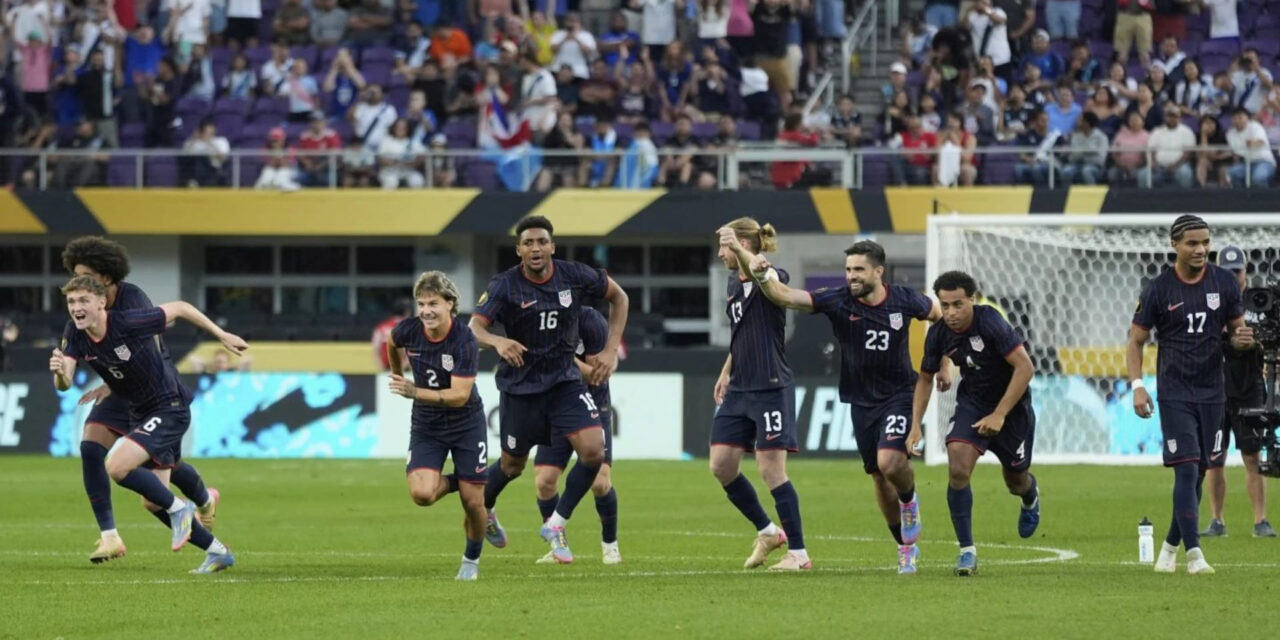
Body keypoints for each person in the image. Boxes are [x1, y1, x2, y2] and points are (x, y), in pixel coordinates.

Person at [729, 238, 951, 574]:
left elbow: (940, 317)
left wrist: (944, 364)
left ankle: (909, 500)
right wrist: (762, 276)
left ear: (879, 271)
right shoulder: (838, 300)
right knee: (878, 478)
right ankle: (905, 547)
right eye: (848, 270)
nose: (852, 276)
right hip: (860, 401)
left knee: (890, 462)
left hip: (899, 395)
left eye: (859, 270)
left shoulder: (905, 299)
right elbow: (785, 296)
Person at [51, 276, 244, 574]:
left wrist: (221, 335)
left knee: (116, 466)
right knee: (152, 501)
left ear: (101, 303)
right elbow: (64, 383)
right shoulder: (75, 333)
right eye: (72, 302)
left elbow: (179, 308)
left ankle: (181, 508)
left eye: (83, 301)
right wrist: (61, 373)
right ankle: (218, 551)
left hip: (170, 406)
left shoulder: (127, 322)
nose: (76, 307)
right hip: (140, 412)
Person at [469, 216, 628, 563]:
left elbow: (619, 297)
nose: (536, 248)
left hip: (564, 383)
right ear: (519, 250)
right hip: (521, 388)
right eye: (528, 243)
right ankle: (486, 509)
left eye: (542, 241)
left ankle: (556, 523)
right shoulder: (504, 285)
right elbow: (474, 328)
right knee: (512, 466)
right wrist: (498, 341)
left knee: (593, 452)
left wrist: (611, 349)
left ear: (552, 246)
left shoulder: (574, 275)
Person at [1127, 215, 1254, 575]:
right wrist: (1138, 387)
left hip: (1214, 392)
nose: (1200, 250)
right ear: (1175, 245)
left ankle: (1168, 548)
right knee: (1185, 470)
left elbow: (1235, 333)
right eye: (1192, 243)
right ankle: (1195, 555)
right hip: (1174, 391)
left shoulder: (1225, 283)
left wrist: (1243, 340)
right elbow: (1135, 341)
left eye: (1205, 243)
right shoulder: (1158, 289)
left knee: (1198, 471)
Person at [908, 270, 1040, 576]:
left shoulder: (991, 322)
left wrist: (1000, 414)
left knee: (1016, 481)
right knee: (957, 469)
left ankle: (1030, 497)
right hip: (972, 403)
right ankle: (966, 551)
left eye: (958, 304)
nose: (951, 313)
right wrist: (916, 424)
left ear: (973, 299)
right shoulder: (939, 333)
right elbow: (925, 379)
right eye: (945, 305)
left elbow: (1025, 368)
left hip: (1013, 407)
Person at [708, 218, 810, 571]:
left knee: (771, 470)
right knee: (721, 465)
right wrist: (725, 372)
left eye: (725, 246)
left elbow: (769, 280)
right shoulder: (732, 283)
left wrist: (741, 251)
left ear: (743, 245)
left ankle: (798, 553)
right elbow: (742, 335)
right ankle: (768, 531)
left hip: (770, 387)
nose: (721, 253)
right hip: (739, 388)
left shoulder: (771, 273)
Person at [384, 271, 488, 580]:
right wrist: (397, 373)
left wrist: (414, 391)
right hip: (427, 423)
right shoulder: (410, 331)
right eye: (421, 304)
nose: (426, 310)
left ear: (450, 304)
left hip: (465, 422)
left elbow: (459, 396)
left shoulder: (464, 340)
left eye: (433, 303)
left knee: (473, 502)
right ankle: (468, 479)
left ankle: (471, 561)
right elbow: (392, 342)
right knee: (422, 495)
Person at [533, 306, 622, 565]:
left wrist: (563, 357)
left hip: (593, 403)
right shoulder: (543, 322)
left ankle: (610, 545)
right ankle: (557, 545)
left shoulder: (590, 320)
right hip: (558, 405)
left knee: (600, 482)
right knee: (544, 481)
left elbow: (596, 375)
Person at [1202, 246, 1276, 539]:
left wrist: (1254, 343)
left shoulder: (1262, 305)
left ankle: (1260, 520)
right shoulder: (1208, 304)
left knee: (1253, 457)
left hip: (1250, 390)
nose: (1234, 276)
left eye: (1238, 271)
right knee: (1214, 460)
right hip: (1215, 391)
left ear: (1246, 271)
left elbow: (1272, 341)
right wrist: (1232, 341)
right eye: (1228, 271)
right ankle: (1217, 521)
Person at [1140, 104, 1195, 188]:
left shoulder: (1187, 131)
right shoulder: (1157, 131)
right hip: (1158, 167)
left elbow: (1187, 153)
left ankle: (1185, 200)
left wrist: (1175, 165)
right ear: (1165, 117)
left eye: (1175, 116)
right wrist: (1153, 163)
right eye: (1169, 116)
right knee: (1143, 175)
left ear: (1179, 118)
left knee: (1185, 173)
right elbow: (1150, 150)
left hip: (1179, 166)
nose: (1172, 119)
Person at [373, 297, 412, 371]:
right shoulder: (409, 328)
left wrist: (382, 370)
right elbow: (412, 352)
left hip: (386, 369)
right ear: (407, 312)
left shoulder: (381, 327)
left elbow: (375, 350)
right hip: (403, 371)